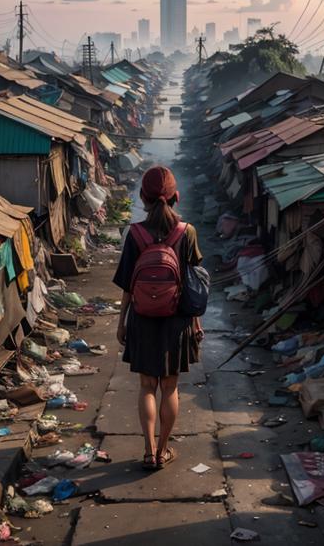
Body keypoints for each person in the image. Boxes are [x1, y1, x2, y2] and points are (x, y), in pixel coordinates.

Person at [113, 165, 204, 471]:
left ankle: (148, 450)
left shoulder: (135, 234)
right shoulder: (186, 232)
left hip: (142, 319)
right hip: (177, 321)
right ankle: (164, 449)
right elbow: (192, 284)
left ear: (143, 197)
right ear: (175, 197)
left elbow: (127, 285)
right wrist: (197, 324)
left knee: (147, 387)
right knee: (170, 388)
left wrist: (121, 321)